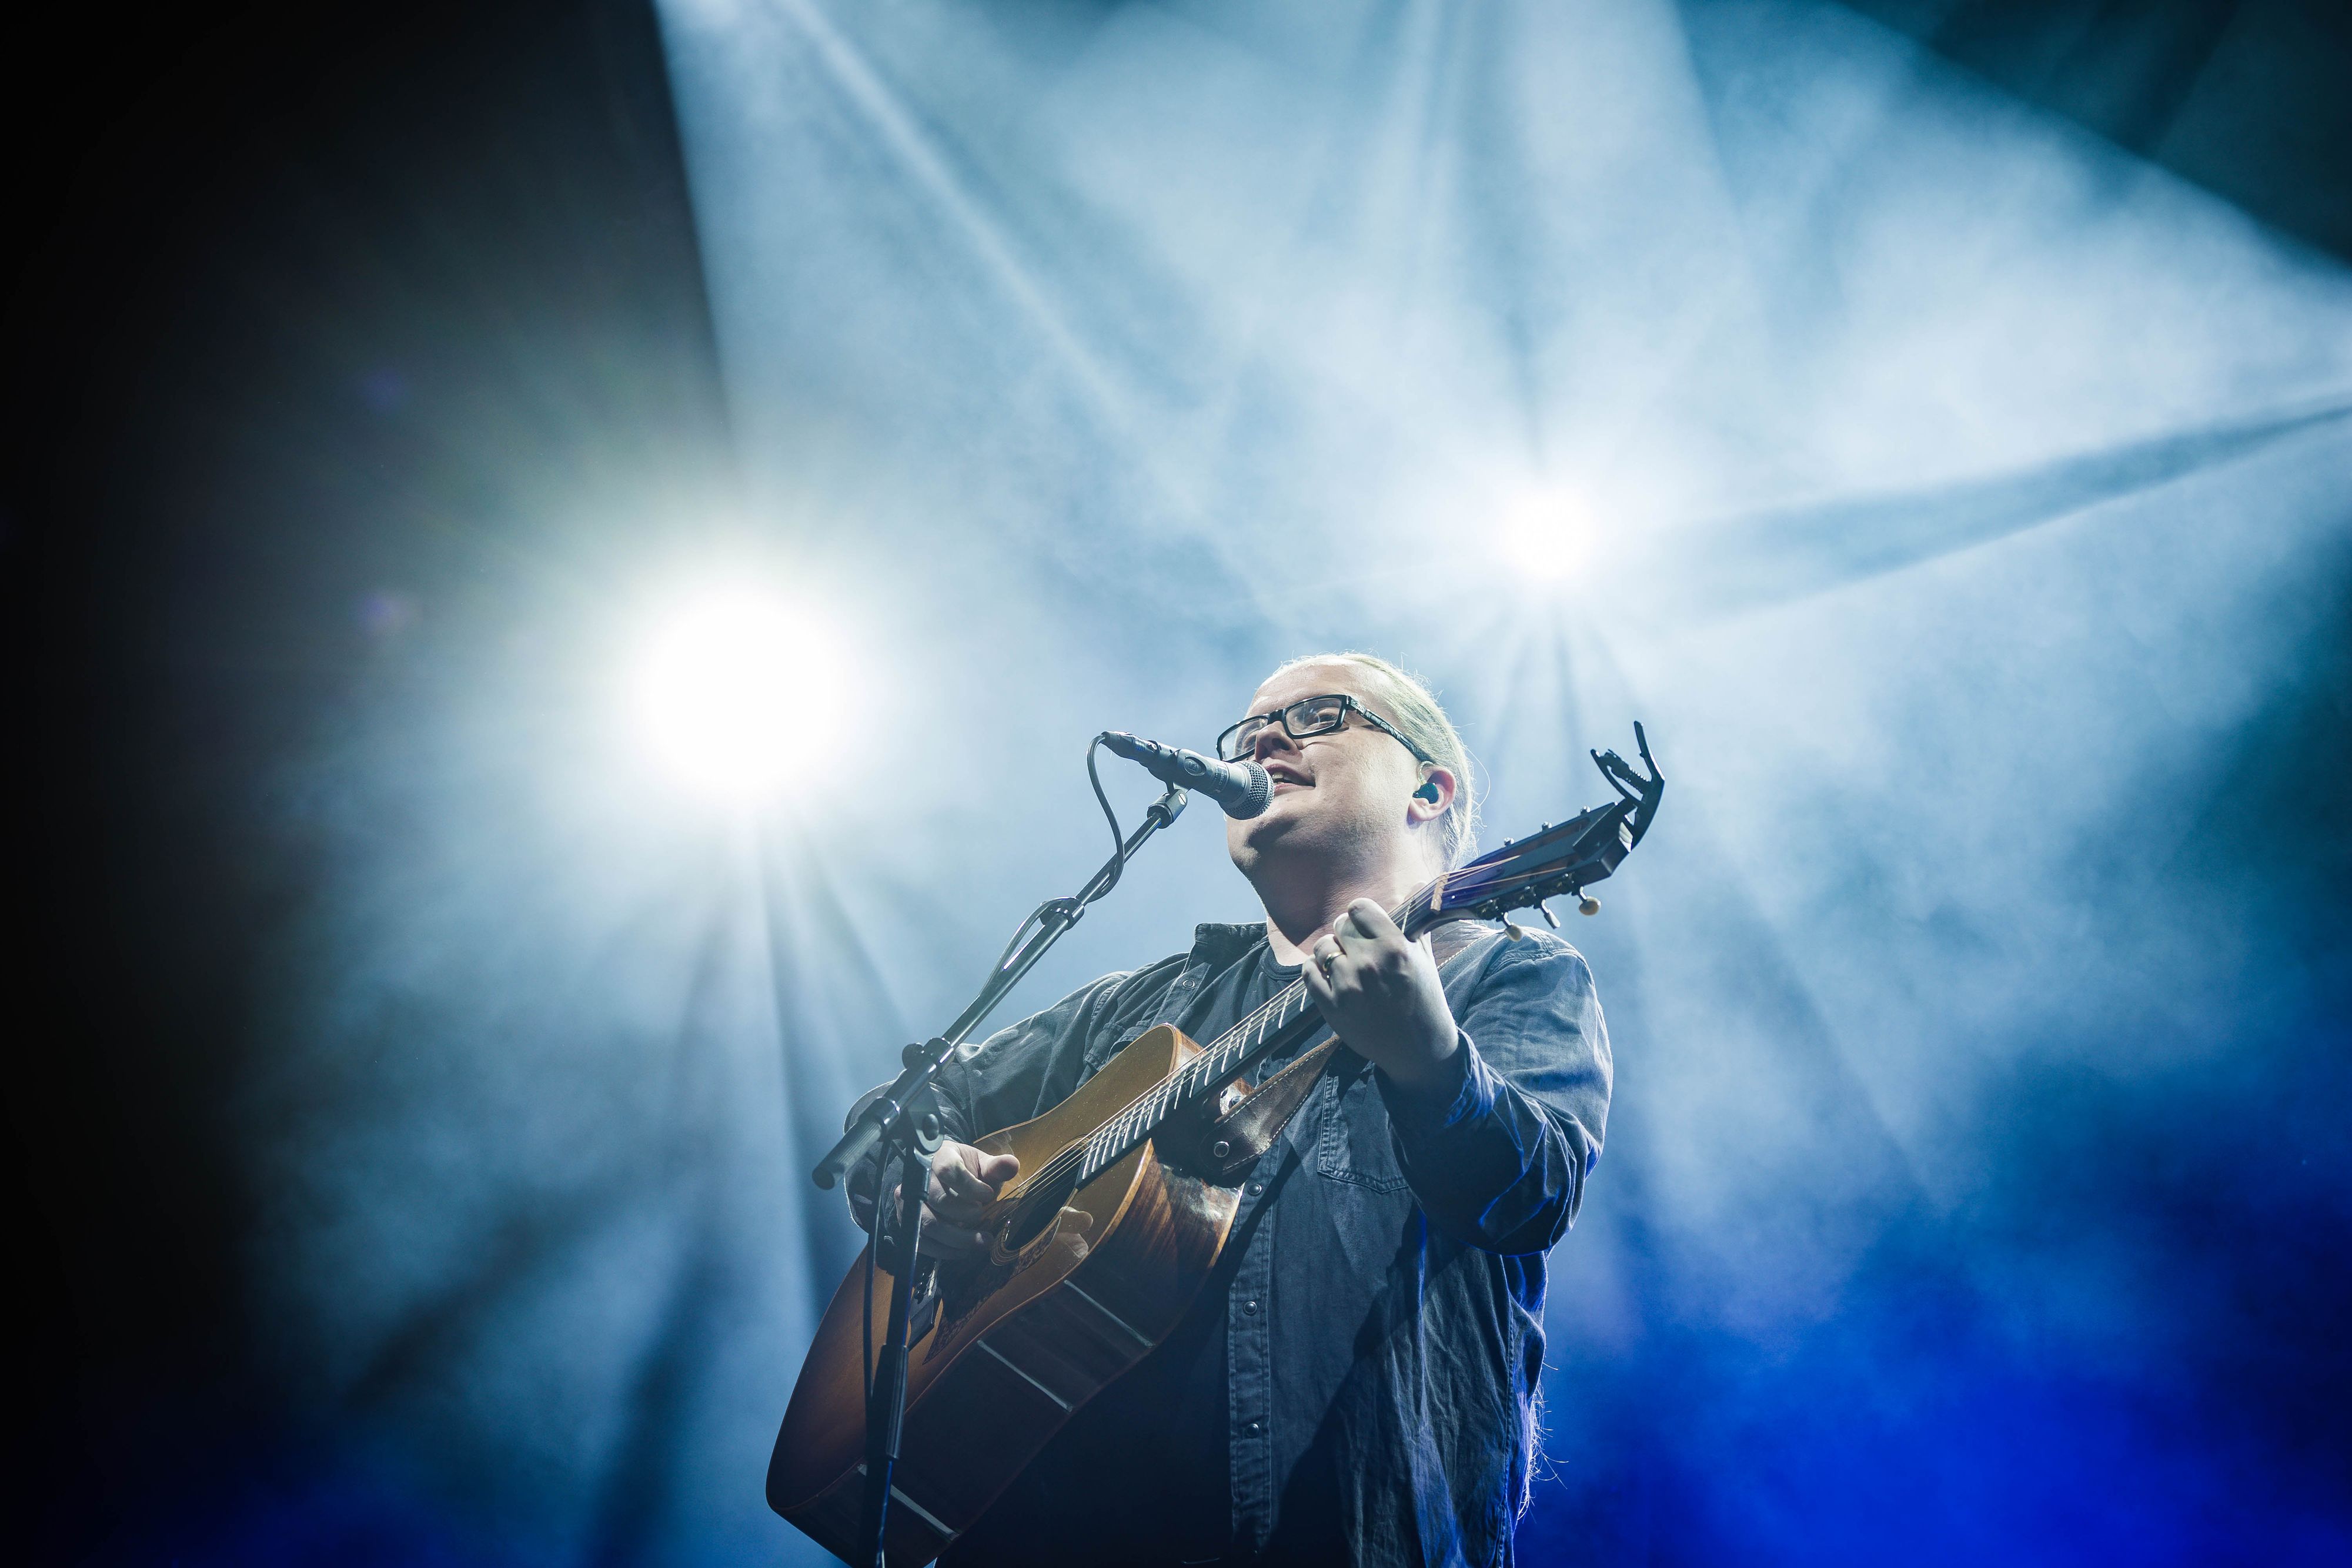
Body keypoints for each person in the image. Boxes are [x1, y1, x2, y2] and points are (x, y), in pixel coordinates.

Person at [850, 653, 1611, 1567]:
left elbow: (1532, 1195)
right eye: (1249, 730)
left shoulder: (1509, 973)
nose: (1264, 740)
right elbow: (906, 1116)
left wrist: (1428, 1057)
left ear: (1428, 789)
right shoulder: (1139, 1007)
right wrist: (923, 1184)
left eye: (1318, 715)